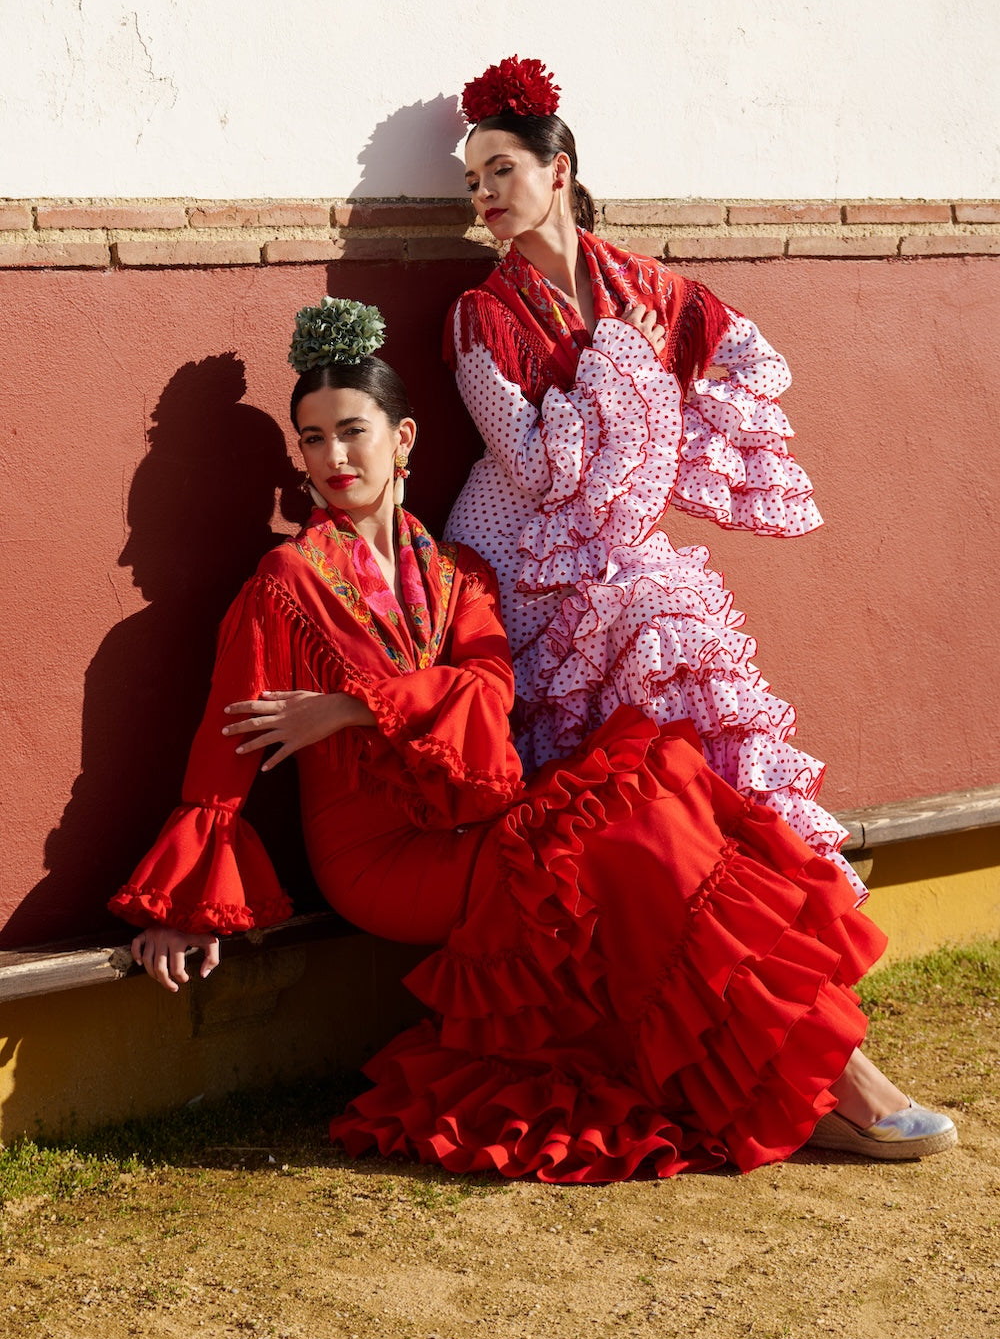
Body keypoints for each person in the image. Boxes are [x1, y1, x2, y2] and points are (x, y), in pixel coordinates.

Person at [112, 298, 956, 1182]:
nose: (333, 459)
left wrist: (354, 707)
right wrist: (179, 906)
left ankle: (815, 1074)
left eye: (351, 432)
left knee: (665, 794)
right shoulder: (286, 583)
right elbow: (227, 737)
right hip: (383, 857)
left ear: (402, 440)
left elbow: (489, 692)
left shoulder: (456, 575)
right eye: (312, 439)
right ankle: (839, 1082)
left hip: (478, 818)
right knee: (637, 828)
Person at [444, 56, 862, 897]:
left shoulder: (638, 283)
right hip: (514, 559)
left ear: (557, 171)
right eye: (472, 179)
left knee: (683, 647)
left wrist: (658, 398)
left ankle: (762, 894)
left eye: (501, 169)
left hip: (611, 554)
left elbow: (749, 359)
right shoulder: (480, 313)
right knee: (648, 641)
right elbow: (529, 467)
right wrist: (621, 358)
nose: (484, 193)